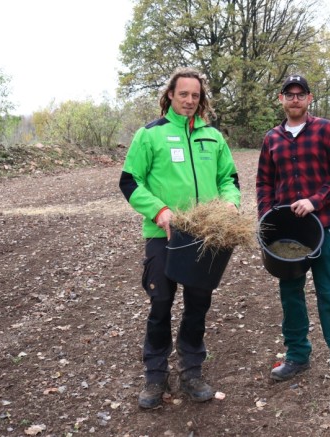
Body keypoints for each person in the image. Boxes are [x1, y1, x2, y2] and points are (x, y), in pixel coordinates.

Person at [119, 67, 241, 409]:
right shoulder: (150, 135)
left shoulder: (212, 137)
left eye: (195, 95)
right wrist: (160, 212)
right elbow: (129, 181)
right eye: (183, 94)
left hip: (206, 236)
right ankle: (155, 376)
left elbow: (229, 177)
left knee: (198, 305)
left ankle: (192, 371)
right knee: (160, 303)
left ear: (201, 99)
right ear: (170, 94)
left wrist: (230, 204)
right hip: (164, 234)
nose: (190, 100)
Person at [255, 74, 330, 399]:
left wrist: (316, 200)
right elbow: (264, 183)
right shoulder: (272, 138)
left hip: (323, 227)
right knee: (291, 296)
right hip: (287, 237)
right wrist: (266, 219)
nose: (295, 99)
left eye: (300, 94)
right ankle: (297, 356)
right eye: (289, 94)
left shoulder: (326, 130)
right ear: (281, 99)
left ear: (309, 98)